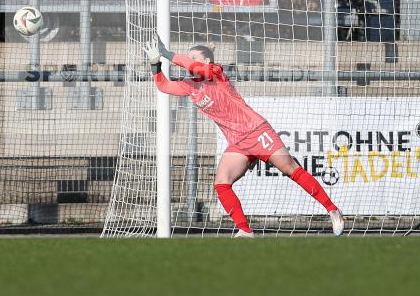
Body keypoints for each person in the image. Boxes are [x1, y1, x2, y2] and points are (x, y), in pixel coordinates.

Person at [146, 37, 344, 237]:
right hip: (238, 143)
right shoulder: (190, 85)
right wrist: (156, 64)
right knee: (221, 183)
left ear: (206, 61)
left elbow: (198, 69)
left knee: (290, 169)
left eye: (193, 57)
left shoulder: (215, 72)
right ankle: (244, 230)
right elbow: (164, 86)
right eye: (188, 58)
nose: (189, 61)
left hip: (256, 131)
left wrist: (168, 54)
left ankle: (333, 210)